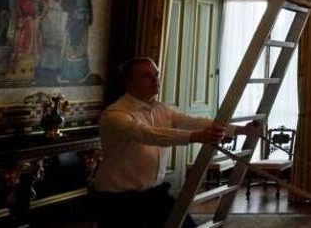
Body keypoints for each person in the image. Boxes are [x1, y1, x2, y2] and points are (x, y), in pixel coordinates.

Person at [90, 57, 262, 228]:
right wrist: (196, 137)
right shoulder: (115, 114)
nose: (155, 79)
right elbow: (150, 135)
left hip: (153, 194)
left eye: (156, 74)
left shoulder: (161, 109)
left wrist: (241, 130)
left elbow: (195, 121)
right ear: (129, 82)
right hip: (117, 199)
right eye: (147, 76)